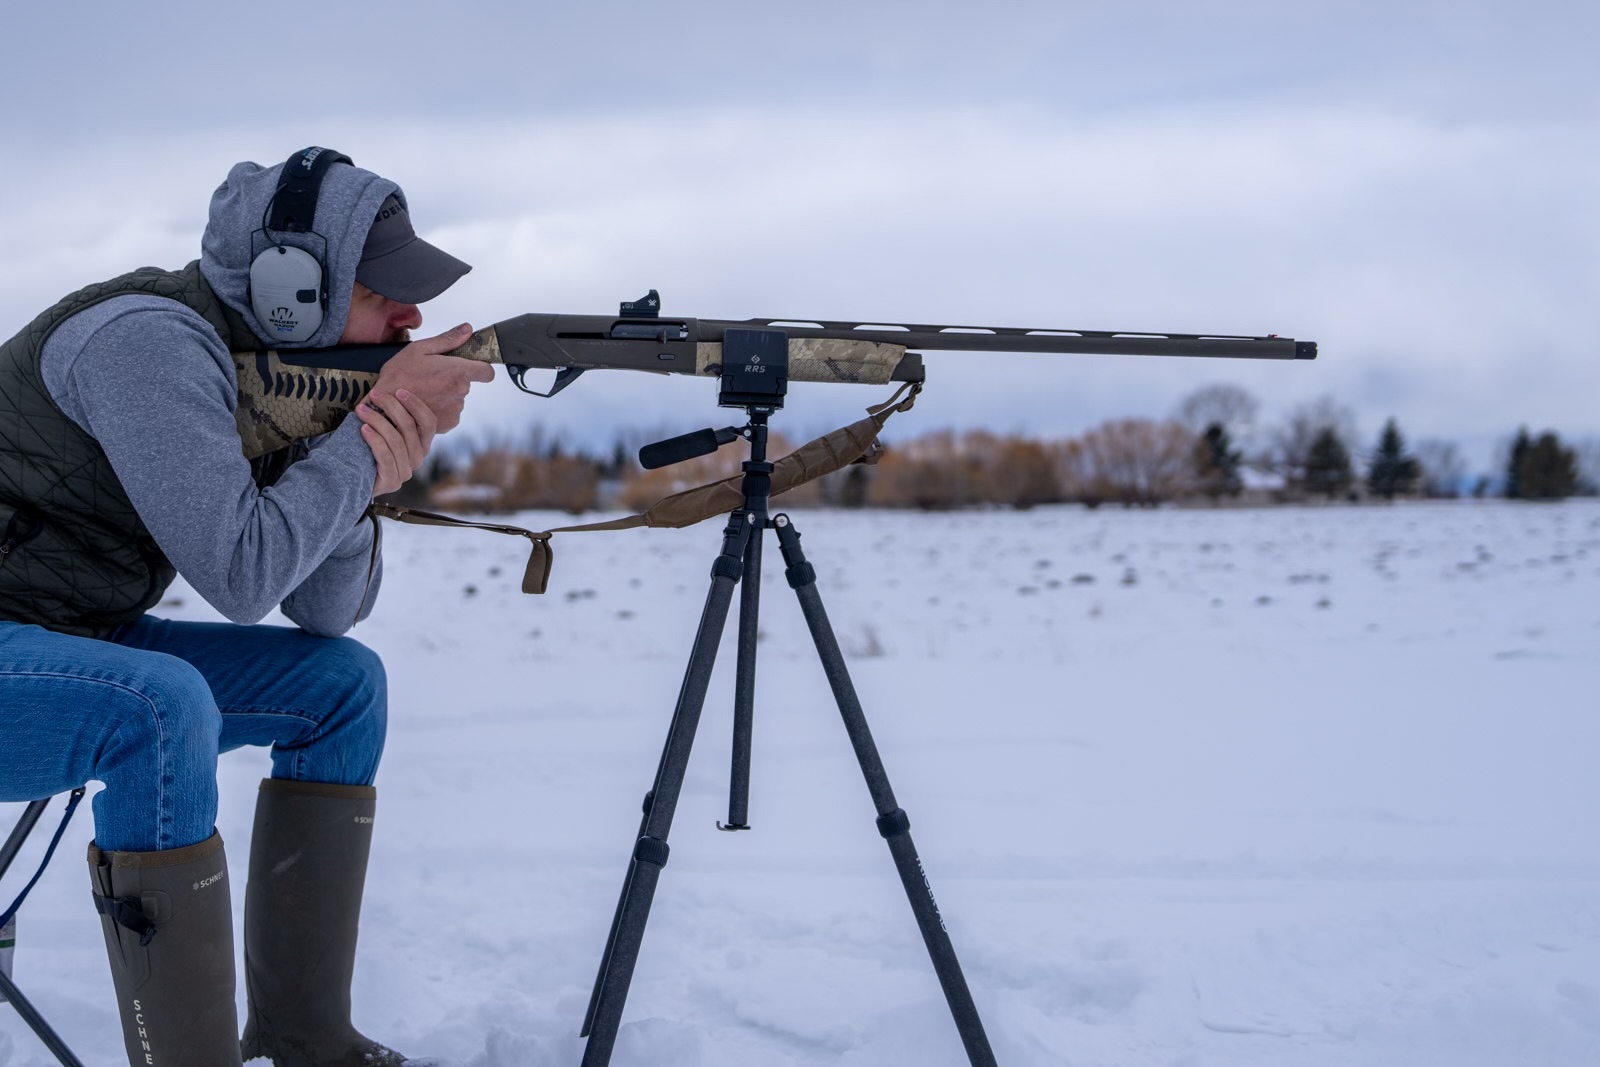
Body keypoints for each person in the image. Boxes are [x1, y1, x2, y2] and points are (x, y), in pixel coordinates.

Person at [0, 148, 492, 1066]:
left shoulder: (281, 374)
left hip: (60, 635)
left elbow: (327, 614)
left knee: (344, 684)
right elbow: (241, 575)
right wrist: (360, 459)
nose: (412, 316)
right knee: (161, 705)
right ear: (286, 292)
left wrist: (350, 451)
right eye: (384, 290)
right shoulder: (145, 345)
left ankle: (307, 1037)